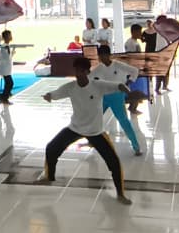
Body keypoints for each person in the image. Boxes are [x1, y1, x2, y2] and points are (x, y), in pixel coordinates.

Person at [39, 55, 131, 204]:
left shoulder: (97, 85)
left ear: (88, 72)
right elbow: (57, 93)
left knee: (114, 162)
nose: (78, 74)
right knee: (51, 148)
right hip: (75, 128)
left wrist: (123, 87)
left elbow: (115, 86)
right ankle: (49, 177)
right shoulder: (71, 87)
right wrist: (49, 96)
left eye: (81, 71)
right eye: (76, 70)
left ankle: (120, 194)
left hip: (96, 132)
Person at [96, 43, 144, 157]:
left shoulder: (118, 65)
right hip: (104, 96)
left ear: (109, 55)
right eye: (100, 56)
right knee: (94, 118)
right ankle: (92, 141)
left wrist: (128, 82)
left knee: (124, 121)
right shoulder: (99, 68)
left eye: (103, 55)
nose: (102, 58)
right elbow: (89, 78)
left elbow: (135, 71)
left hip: (117, 96)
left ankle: (136, 147)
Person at [0, 29, 15, 105]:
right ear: (6, 37)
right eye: (9, 35)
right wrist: (11, 53)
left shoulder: (6, 46)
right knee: (10, 83)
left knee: (8, 83)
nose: (11, 37)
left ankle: (4, 97)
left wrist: (12, 53)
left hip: (6, 68)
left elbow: (8, 57)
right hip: (5, 68)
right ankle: (4, 98)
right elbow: (6, 57)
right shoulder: (5, 46)